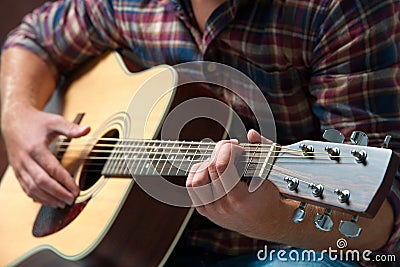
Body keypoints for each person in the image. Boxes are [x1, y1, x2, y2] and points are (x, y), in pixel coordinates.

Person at [1, 0, 399, 266]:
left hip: (286, 247)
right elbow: (35, 37)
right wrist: (16, 114)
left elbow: (387, 217)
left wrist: (276, 219)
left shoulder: (339, 11)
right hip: (133, 247)